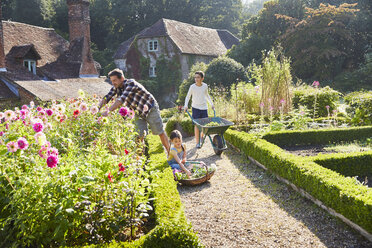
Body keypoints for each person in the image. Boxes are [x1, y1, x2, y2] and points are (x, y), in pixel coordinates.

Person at [99, 68, 170, 153]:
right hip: (137, 112)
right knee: (138, 136)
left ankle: (170, 154)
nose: (113, 83)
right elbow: (107, 97)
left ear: (121, 78)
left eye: (115, 80)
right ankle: (139, 160)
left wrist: (108, 111)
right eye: (111, 81)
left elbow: (120, 100)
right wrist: (97, 108)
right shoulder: (116, 87)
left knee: (159, 131)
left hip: (150, 108)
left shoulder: (131, 84)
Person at [183, 71, 214, 148]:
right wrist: (186, 105)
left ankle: (201, 137)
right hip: (195, 108)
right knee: (197, 125)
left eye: (198, 77)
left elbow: (207, 95)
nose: (196, 79)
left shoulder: (205, 86)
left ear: (202, 78)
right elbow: (187, 97)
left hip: (204, 108)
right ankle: (197, 142)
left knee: (203, 125)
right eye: (195, 77)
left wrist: (211, 104)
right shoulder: (192, 87)